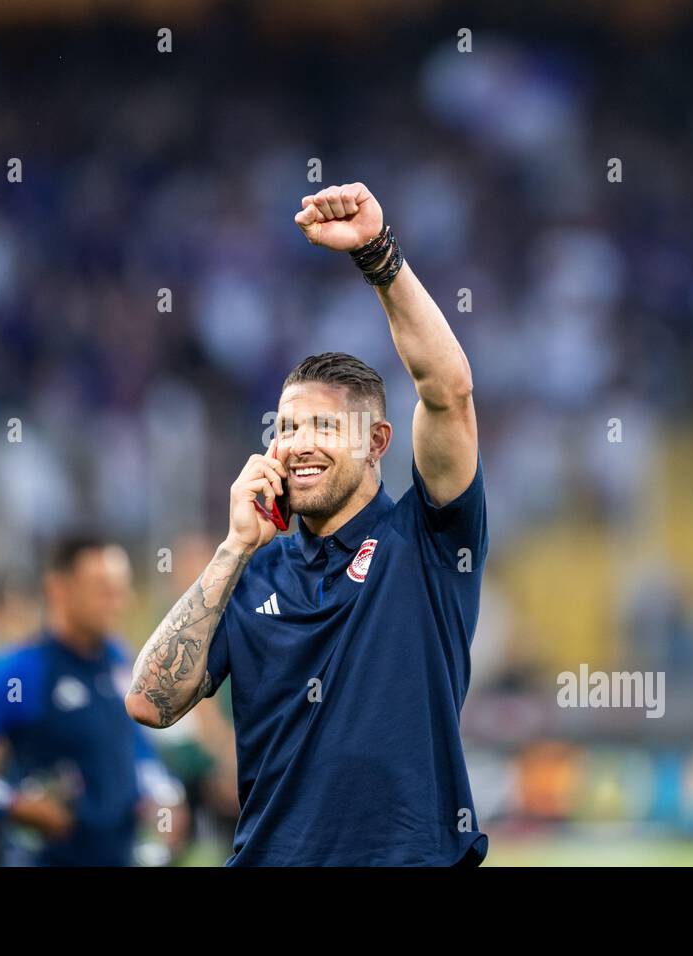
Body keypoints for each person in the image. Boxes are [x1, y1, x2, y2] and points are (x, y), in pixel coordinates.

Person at [127, 183, 488, 866]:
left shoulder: (430, 541)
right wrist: (234, 547)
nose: (299, 443)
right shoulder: (253, 568)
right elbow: (149, 701)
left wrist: (380, 259)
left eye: (325, 425)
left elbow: (450, 391)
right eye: (287, 426)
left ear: (378, 442)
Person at [0, 534, 186, 866]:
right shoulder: (26, 670)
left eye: (121, 588)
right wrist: (13, 804)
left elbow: (135, 748)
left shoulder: (119, 661)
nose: (118, 601)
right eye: (102, 589)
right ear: (59, 589)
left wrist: (165, 796)